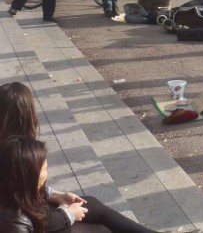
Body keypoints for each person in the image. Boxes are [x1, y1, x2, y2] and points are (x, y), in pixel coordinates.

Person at [0, 82, 158, 233]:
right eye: (44, 168)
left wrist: (55, 195)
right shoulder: (14, 155)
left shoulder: (18, 148)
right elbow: (23, 215)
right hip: (31, 220)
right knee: (101, 230)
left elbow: (25, 191)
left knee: (91, 204)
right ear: (26, 115)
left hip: (31, 212)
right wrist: (67, 214)